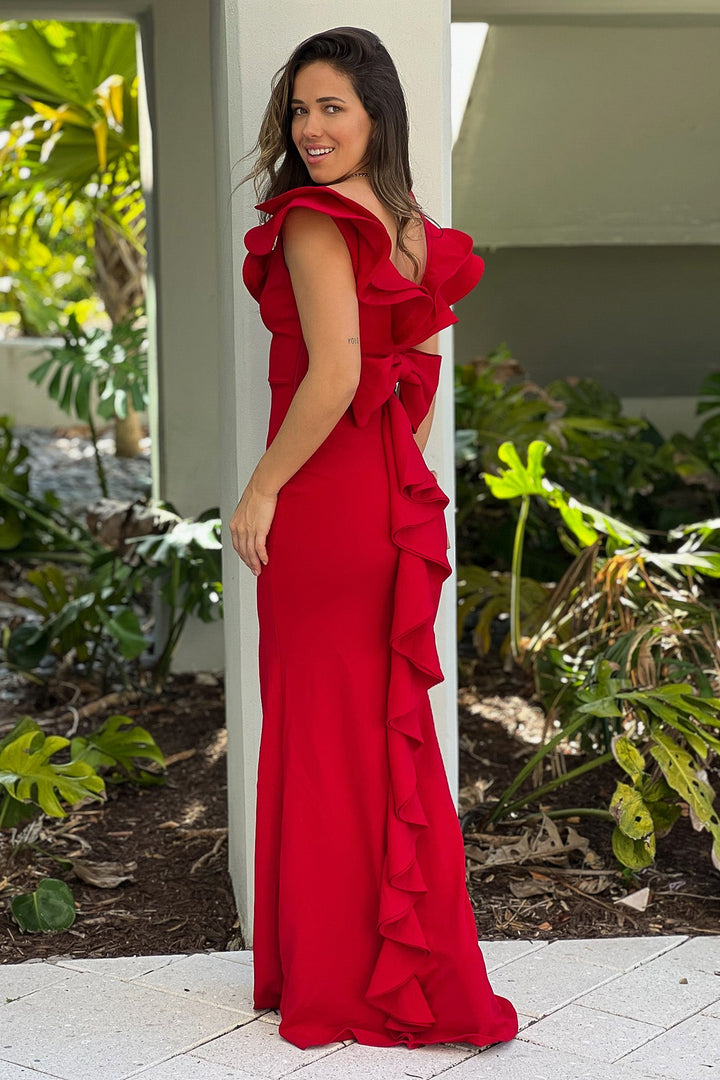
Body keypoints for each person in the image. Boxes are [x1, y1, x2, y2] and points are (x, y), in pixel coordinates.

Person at [230, 25, 519, 1052]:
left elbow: (337, 376)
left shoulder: (312, 221)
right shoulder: (403, 224)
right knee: (373, 736)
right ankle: (387, 969)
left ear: (376, 114)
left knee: (321, 738)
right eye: (300, 109)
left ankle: (337, 982)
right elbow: (416, 386)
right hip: (381, 502)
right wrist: (398, 480)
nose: (310, 129)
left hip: (318, 502)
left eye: (332, 108)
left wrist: (261, 492)